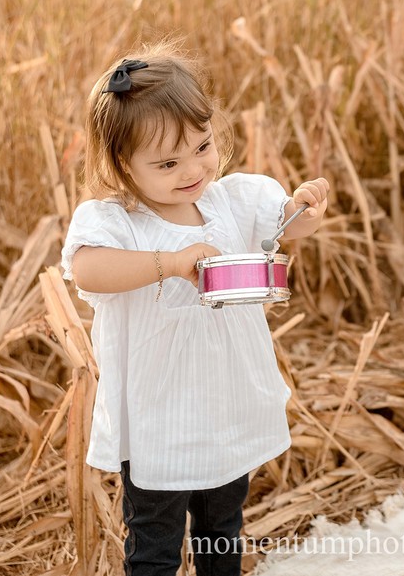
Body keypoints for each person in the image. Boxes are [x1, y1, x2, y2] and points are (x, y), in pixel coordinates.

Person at [61, 43, 330, 576]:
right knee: (155, 546)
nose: (191, 170)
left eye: (202, 147)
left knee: (221, 534)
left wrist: (304, 208)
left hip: (225, 408)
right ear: (121, 165)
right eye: (166, 163)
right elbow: (87, 270)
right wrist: (171, 261)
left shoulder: (233, 201)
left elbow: (286, 225)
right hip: (158, 421)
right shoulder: (118, 222)